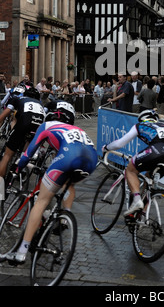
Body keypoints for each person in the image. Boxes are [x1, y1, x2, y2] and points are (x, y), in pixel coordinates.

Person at [3, 101, 98, 265]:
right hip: (91, 160)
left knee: (42, 201)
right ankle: (64, 216)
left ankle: (21, 252)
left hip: (69, 157)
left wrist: (18, 168)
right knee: (69, 183)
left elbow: (28, 153)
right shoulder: (75, 129)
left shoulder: (46, 126)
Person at [103, 109, 164, 216]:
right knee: (148, 179)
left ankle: (136, 200)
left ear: (141, 119)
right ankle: (142, 215)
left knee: (131, 170)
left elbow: (119, 144)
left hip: (157, 150)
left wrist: (107, 147)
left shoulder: (140, 125)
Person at [0, 86, 45, 180]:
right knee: (27, 143)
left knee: (7, 156)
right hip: (39, 126)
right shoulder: (40, 104)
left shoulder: (17, 98)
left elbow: (4, 115)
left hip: (25, 122)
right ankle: (21, 164)